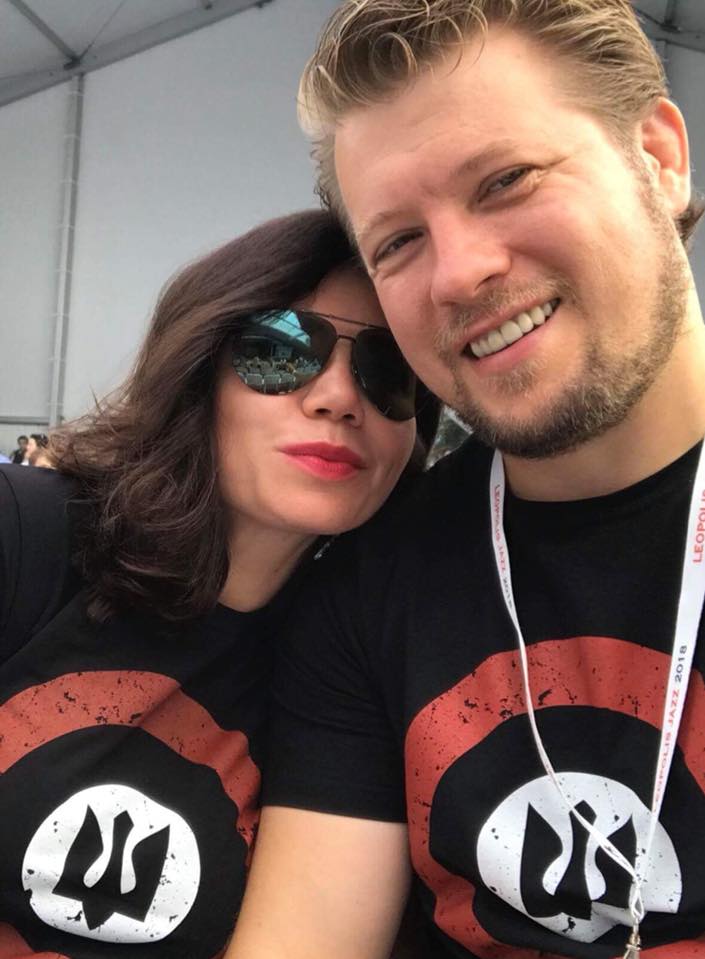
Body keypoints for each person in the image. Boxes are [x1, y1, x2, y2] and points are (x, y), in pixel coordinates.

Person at [227, 2, 705, 957]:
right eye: (397, 242)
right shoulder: (371, 589)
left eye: (506, 180)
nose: (457, 273)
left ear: (656, 158)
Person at [0, 209, 437, 959]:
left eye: (387, 371)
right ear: (197, 371)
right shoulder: (27, 531)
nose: (339, 397)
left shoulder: (359, 669)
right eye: (281, 351)